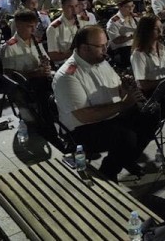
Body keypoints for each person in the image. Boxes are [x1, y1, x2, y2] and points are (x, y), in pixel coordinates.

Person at [52, 25, 158, 182]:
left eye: (106, 45)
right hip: (82, 128)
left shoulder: (99, 60)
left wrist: (126, 88)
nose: (105, 50)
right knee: (126, 137)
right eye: (100, 46)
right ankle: (109, 172)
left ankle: (124, 159)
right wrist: (125, 104)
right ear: (84, 48)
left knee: (151, 115)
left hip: (110, 116)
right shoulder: (68, 76)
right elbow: (84, 116)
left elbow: (116, 90)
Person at [131, 14, 165, 120]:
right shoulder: (139, 54)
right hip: (154, 97)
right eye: (157, 29)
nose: (161, 32)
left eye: (161, 27)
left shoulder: (163, 48)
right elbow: (142, 85)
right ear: (146, 31)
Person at [46, 0, 84, 65]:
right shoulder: (53, 28)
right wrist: (70, 54)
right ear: (62, 7)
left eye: (76, 6)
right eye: (70, 7)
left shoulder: (84, 21)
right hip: (66, 64)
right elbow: (53, 56)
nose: (74, 10)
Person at [106, 0, 137, 68]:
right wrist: (132, 36)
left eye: (132, 6)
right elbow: (116, 41)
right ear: (120, 7)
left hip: (135, 46)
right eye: (127, 7)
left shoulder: (134, 17)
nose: (131, 9)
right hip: (123, 50)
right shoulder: (113, 22)